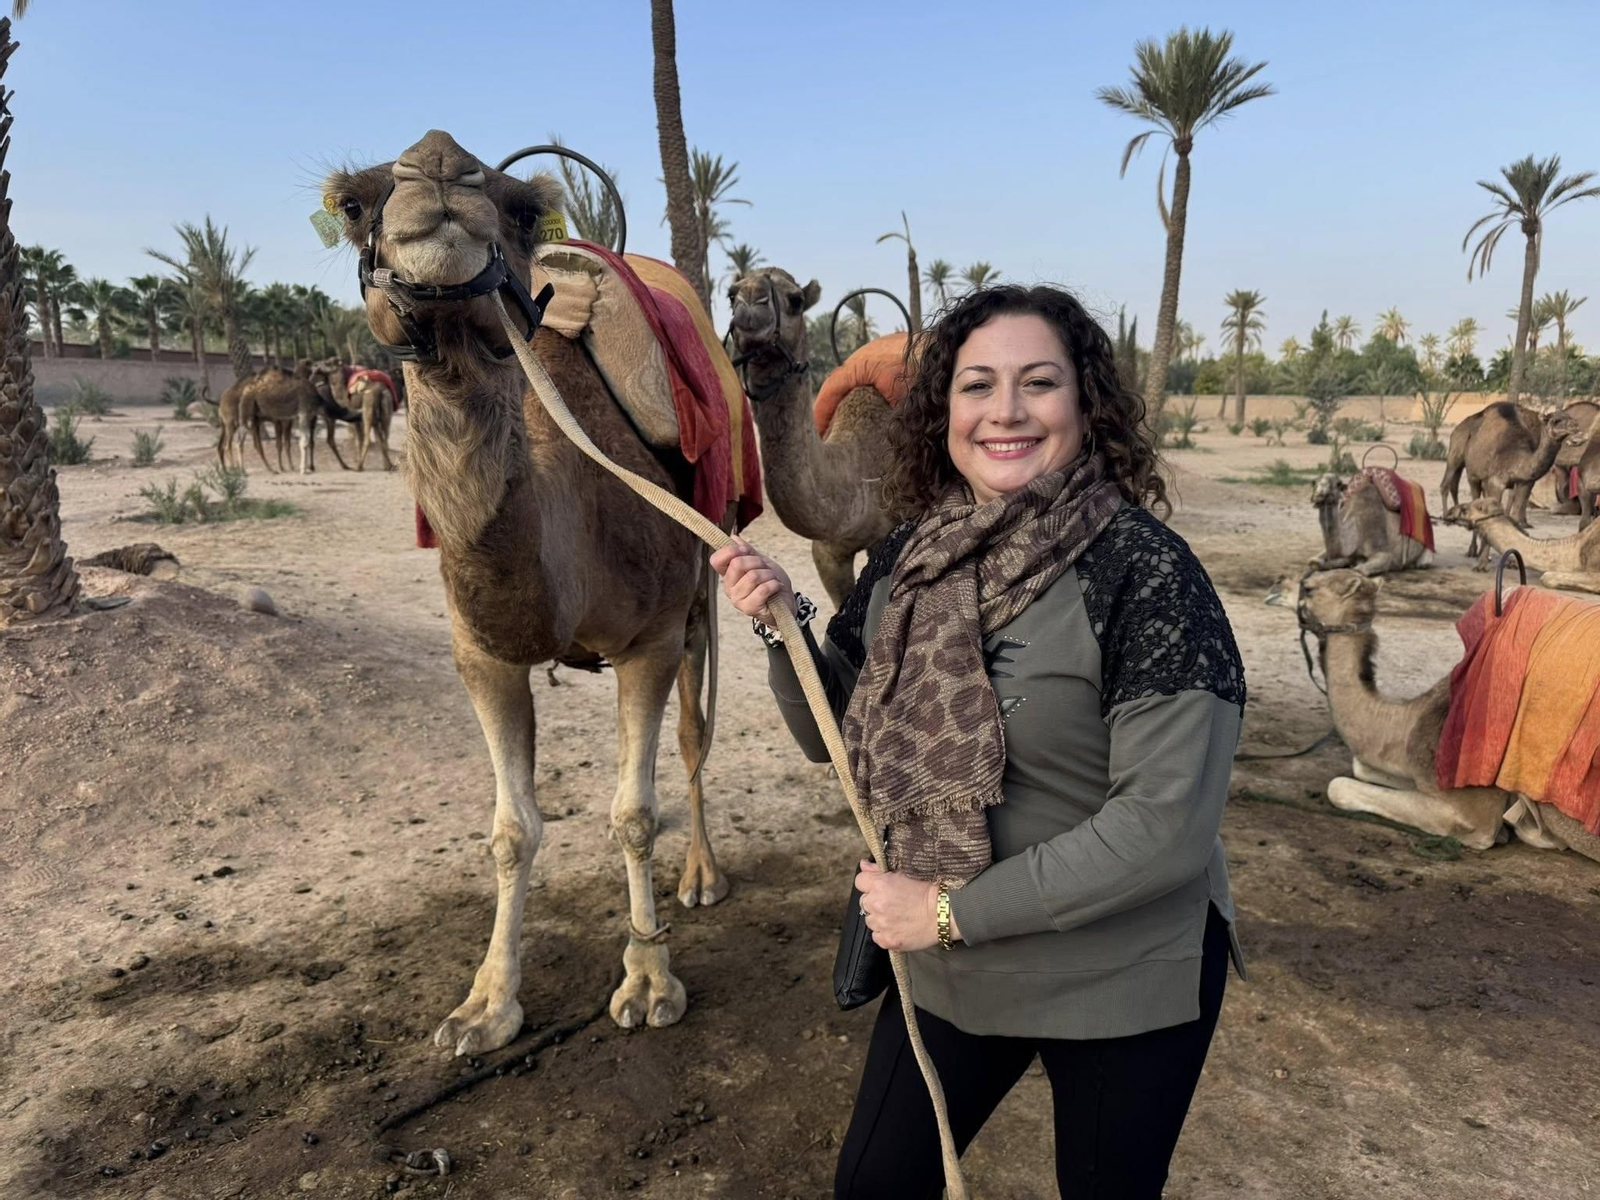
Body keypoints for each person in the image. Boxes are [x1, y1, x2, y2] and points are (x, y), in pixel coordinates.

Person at [710, 284, 1247, 1199]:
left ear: (1085, 403)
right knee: (876, 1186)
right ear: (943, 411)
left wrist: (946, 914)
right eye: (977, 386)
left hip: (1117, 972)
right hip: (952, 968)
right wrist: (782, 627)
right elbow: (836, 735)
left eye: (1038, 383)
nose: (1005, 411)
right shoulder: (913, 557)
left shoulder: (1147, 575)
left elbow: (1164, 829)